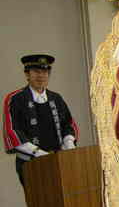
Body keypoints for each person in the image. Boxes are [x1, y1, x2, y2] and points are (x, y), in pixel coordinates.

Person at [3, 54, 78, 185]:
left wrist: (69, 144)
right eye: (36, 72)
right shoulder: (15, 99)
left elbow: (68, 124)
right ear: (27, 74)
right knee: (39, 203)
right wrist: (39, 154)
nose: (41, 76)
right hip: (30, 164)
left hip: (58, 161)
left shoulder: (56, 98)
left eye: (45, 72)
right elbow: (12, 131)